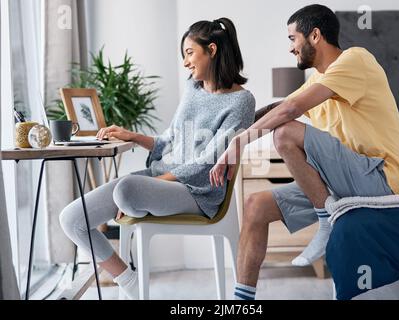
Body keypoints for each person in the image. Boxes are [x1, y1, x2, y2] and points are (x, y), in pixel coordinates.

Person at [210, 4, 399, 300]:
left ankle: (326, 219)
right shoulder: (317, 81)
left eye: (293, 38)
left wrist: (239, 145)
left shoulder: (356, 59)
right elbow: (277, 107)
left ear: (314, 35)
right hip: (344, 181)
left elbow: (290, 111)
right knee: (255, 205)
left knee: (286, 132)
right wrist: (227, 126)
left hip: (380, 179)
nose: (290, 48)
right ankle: (242, 301)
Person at [60, 17, 255, 300]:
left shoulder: (242, 102)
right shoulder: (193, 89)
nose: (186, 62)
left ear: (212, 50)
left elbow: (207, 162)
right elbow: (170, 140)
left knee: (127, 190)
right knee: (72, 219)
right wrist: (133, 136)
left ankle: (134, 199)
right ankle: (128, 280)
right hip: (164, 180)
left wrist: (150, 186)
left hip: (200, 192)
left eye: (190, 53)